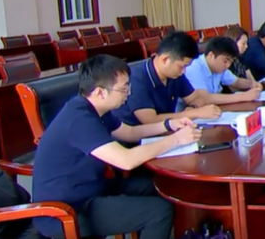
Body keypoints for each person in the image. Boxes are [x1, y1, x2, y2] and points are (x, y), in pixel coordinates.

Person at [32, 55, 201, 239]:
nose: (128, 93)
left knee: (163, 186)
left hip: (91, 188)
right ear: (100, 92)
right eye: (123, 88)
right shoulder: (79, 119)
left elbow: (129, 132)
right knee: (159, 212)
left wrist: (169, 125)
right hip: (68, 209)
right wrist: (175, 140)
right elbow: (125, 160)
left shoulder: (95, 109)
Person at [114, 32, 257, 126]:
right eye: (181, 66)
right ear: (165, 59)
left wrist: (193, 108)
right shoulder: (137, 78)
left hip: (168, 131)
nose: (184, 71)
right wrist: (193, 113)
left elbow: (197, 98)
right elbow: (150, 120)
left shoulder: (175, 75)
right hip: (137, 142)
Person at [183, 37, 263, 99]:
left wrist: (252, 84)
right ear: (211, 55)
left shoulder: (218, 68)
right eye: (225, 61)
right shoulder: (194, 67)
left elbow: (236, 81)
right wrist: (243, 97)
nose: (228, 65)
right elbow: (204, 98)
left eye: (230, 62)